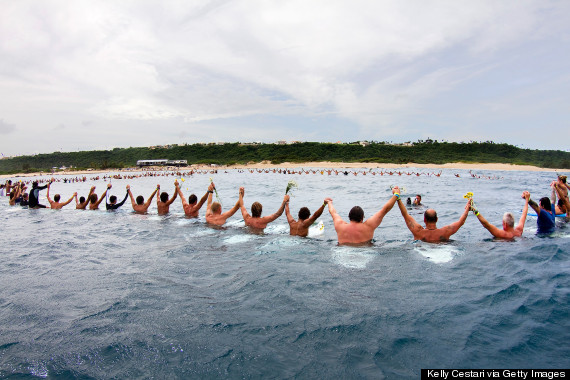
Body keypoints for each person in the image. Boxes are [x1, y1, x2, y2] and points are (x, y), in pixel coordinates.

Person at [325, 187, 400, 245]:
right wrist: (396, 194)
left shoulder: (340, 225)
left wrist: (329, 202)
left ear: (349, 217)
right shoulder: (368, 226)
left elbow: (333, 212)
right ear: (362, 218)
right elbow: (385, 210)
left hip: (342, 253)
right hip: (364, 253)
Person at [394, 188, 470, 243]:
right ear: (437, 219)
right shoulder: (445, 232)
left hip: (423, 249)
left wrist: (397, 196)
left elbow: (405, 215)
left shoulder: (418, 232)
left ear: (424, 220)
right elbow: (461, 221)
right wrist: (468, 207)